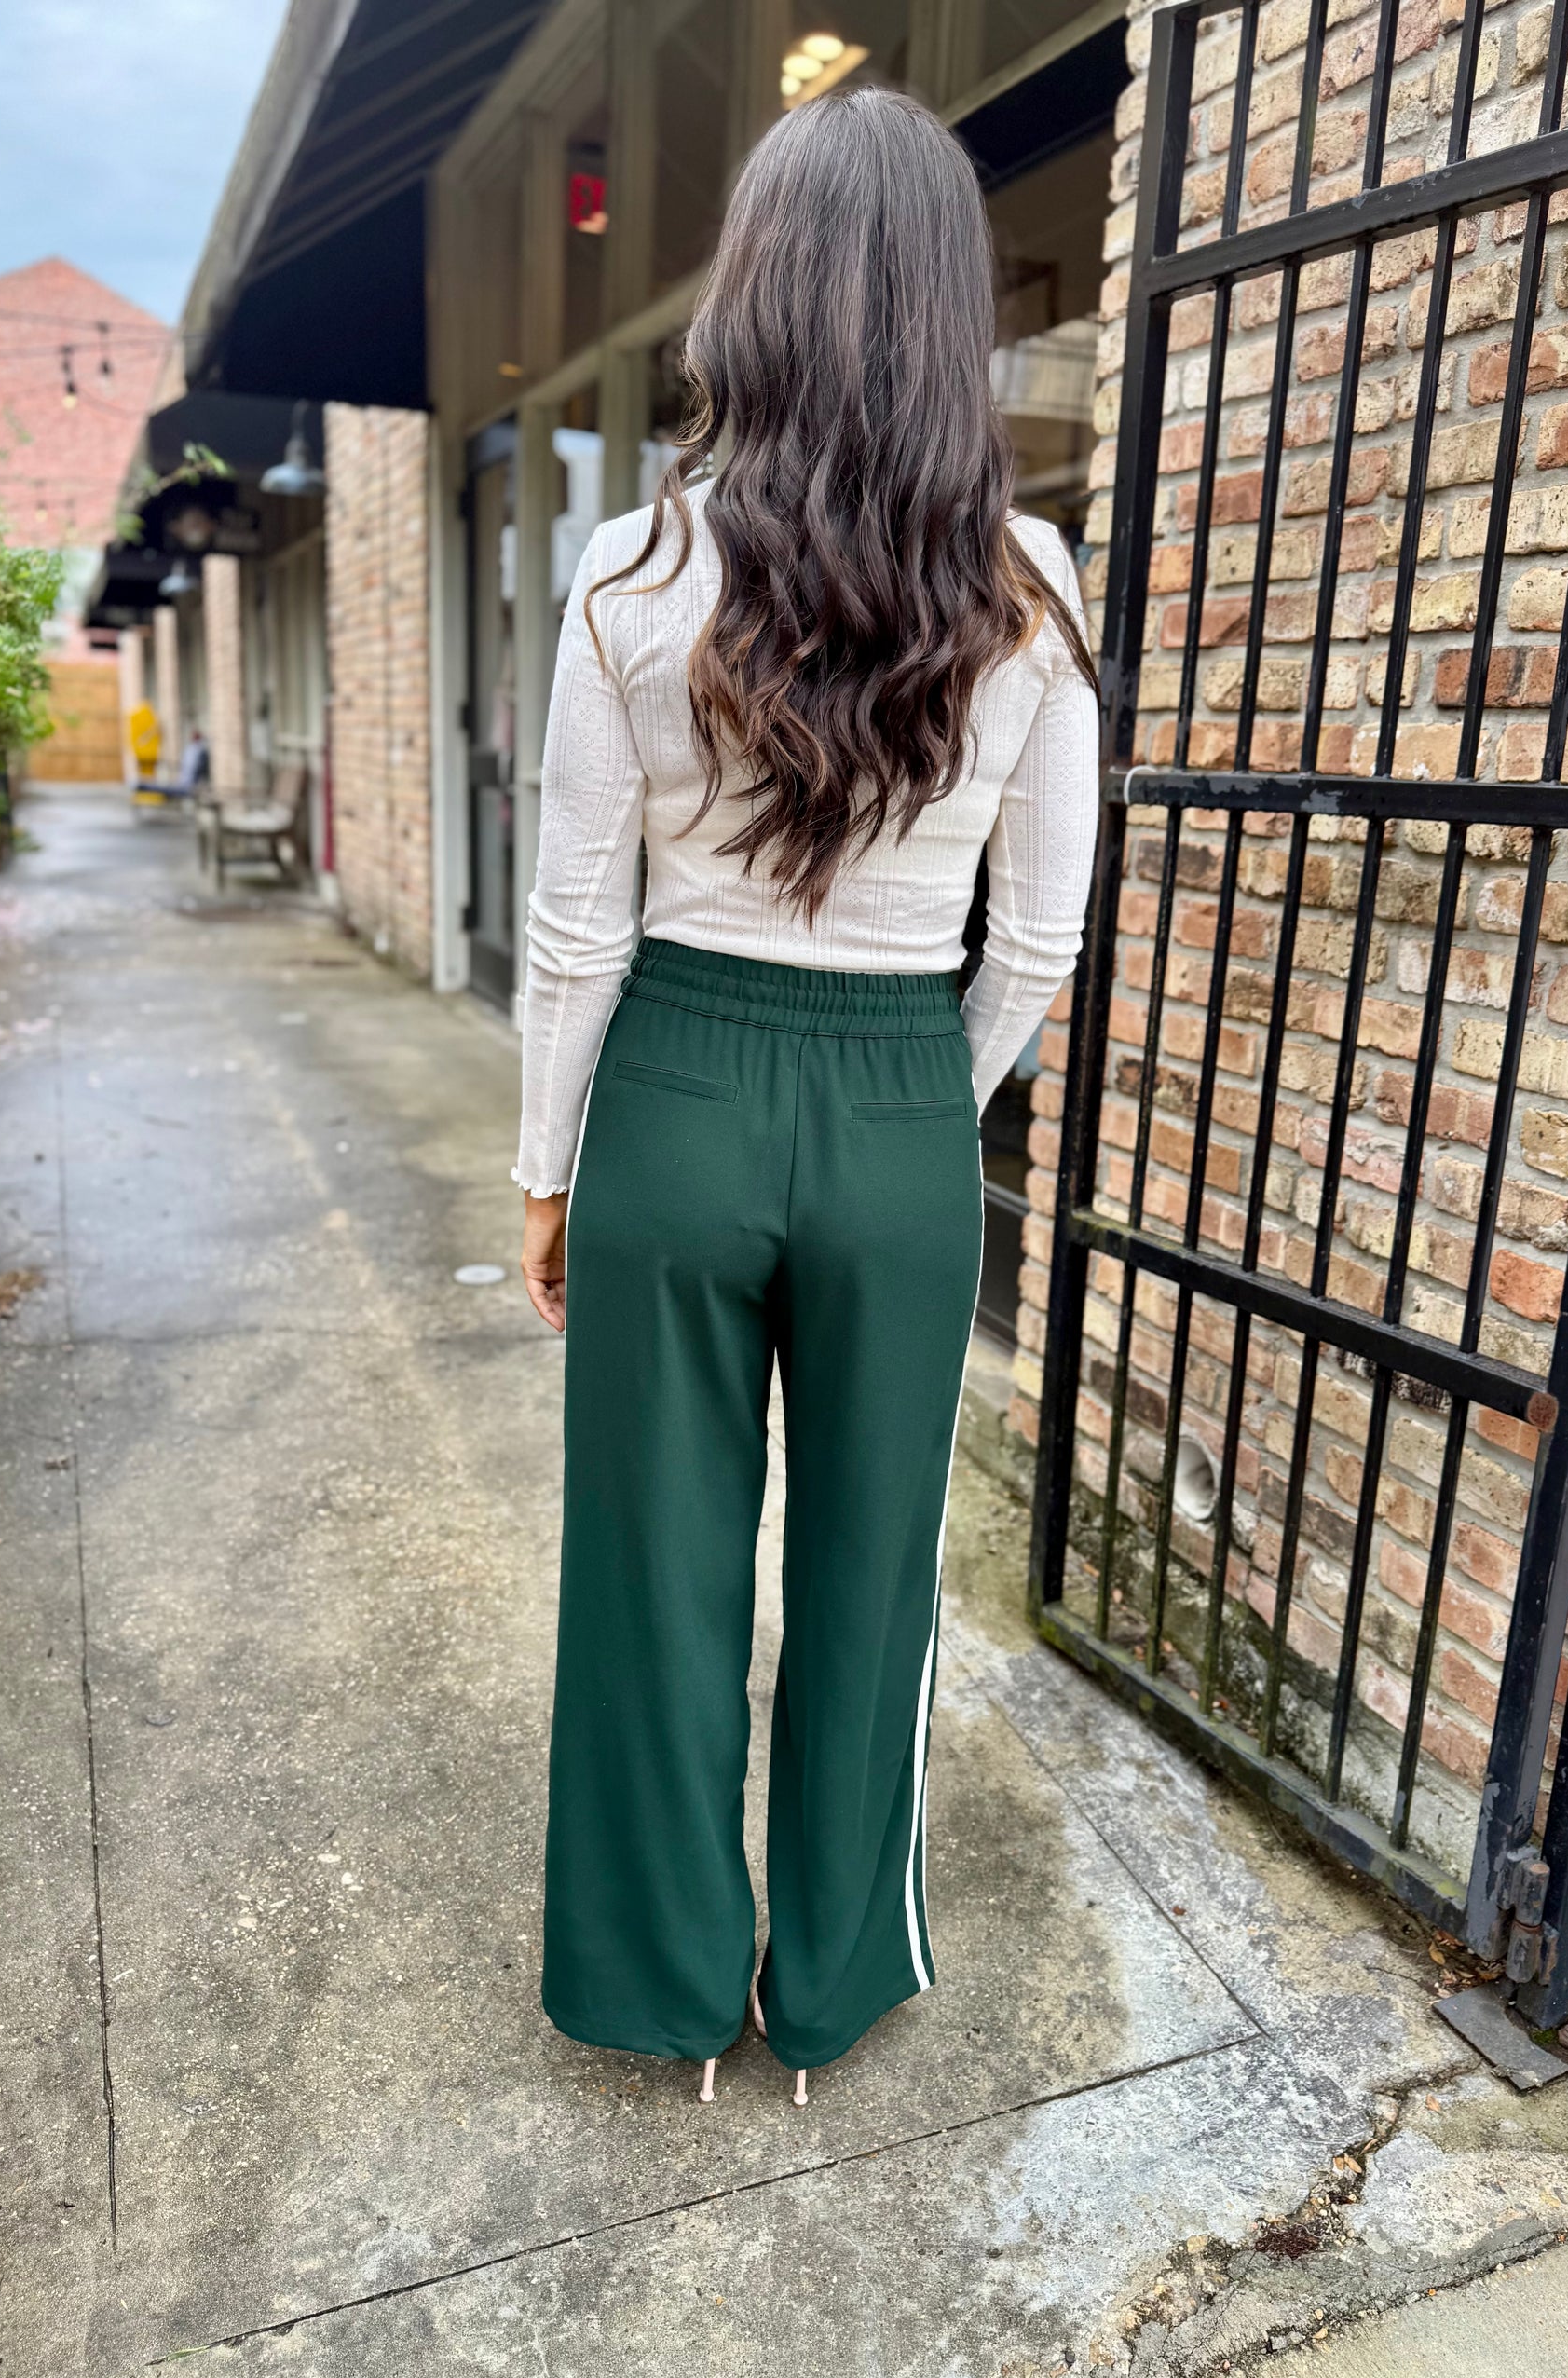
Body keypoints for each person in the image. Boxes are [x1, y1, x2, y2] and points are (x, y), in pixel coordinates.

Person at [514, 86, 1099, 2111]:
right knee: (872, 1574)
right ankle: (831, 1981)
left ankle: (664, 1986)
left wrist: (546, 1165)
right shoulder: (1030, 585)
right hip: (900, 1103)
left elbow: (573, 922)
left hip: (673, 1086)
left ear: (747, 297)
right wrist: (922, 1101)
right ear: (948, 311)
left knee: (651, 1570)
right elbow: (1038, 937)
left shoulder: (632, 567)